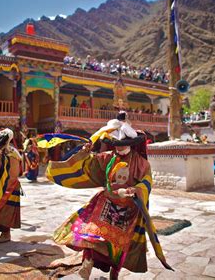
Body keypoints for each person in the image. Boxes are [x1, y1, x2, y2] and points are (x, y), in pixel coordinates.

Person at [46, 112, 172, 279]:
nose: (119, 148)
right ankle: (87, 262)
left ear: (131, 144)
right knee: (90, 232)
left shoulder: (142, 164)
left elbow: (147, 181)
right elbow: (89, 165)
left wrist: (137, 189)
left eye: (122, 144)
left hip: (128, 209)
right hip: (106, 201)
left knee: (119, 246)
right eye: (116, 145)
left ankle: (115, 273)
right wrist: (85, 153)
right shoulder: (108, 158)